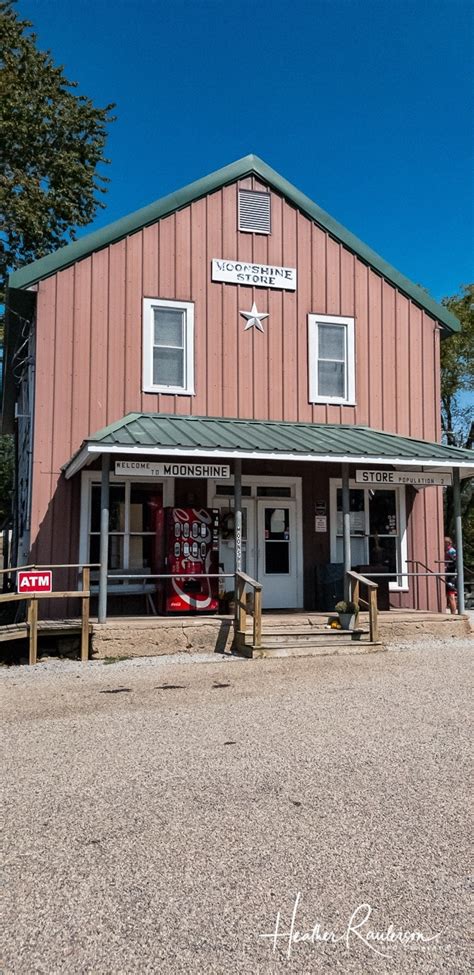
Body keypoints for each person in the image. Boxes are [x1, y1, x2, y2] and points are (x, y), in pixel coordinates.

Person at [444, 536, 457, 614]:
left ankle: (454, 614)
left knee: (451, 595)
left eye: (444, 543)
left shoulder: (452, 551)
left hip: (451, 576)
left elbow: (456, 563)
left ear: (448, 543)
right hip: (447, 575)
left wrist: (447, 567)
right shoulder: (445, 551)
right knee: (446, 595)